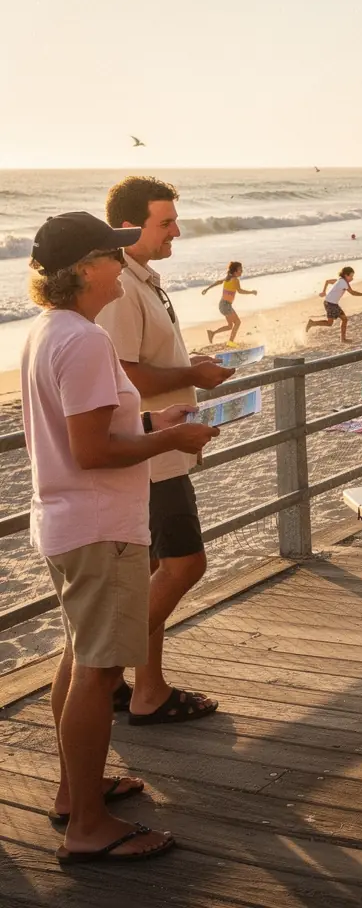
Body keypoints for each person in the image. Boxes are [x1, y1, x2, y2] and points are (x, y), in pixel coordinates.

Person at [23, 211, 218, 863]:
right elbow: (91, 449)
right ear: (83, 271)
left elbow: (90, 420)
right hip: (101, 527)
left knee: (80, 658)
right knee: (99, 671)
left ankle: (72, 793)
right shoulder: (82, 338)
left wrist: (148, 415)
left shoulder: (50, 331)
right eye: (109, 256)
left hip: (65, 521)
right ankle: (88, 826)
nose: (119, 264)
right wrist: (170, 439)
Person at [96, 177, 233, 725]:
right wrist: (190, 374)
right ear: (129, 226)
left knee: (153, 568)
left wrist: (188, 366)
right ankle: (103, 672)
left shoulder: (141, 279)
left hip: (163, 448)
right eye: (166, 221)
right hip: (150, 455)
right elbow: (123, 375)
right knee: (184, 564)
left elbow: (146, 358)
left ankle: (145, 688)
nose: (177, 229)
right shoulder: (121, 288)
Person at [307, 266, 362, 339]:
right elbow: (352, 293)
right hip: (330, 304)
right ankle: (342, 339)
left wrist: (324, 291)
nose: (352, 278)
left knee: (336, 321)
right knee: (337, 321)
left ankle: (312, 323)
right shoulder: (344, 282)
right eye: (351, 276)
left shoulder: (339, 280)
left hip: (330, 303)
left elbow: (327, 281)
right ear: (346, 275)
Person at [203, 261, 257, 346]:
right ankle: (231, 342)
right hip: (226, 305)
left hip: (223, 305)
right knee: (238, 323)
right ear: (235, 271)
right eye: (240, 270)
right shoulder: (235, 280)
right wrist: (251, 292)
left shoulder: (228, 278)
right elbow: (240, 291)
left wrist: (207, 289)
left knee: (230, 326)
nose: (242, 271)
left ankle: (212, 333)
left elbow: (218, 282)